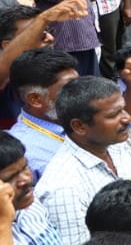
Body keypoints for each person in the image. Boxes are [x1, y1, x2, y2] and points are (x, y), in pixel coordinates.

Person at [33, 77, 131, 245]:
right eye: (113, 115)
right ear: (79, 126)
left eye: (124, 109)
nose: (127, 118)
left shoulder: (117, 144)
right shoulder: (63, 188)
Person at [7, 49, 78, 179]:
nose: (81, 93)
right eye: (69, 88)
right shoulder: (24, 153)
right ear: (36, 100)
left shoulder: (86, 115)